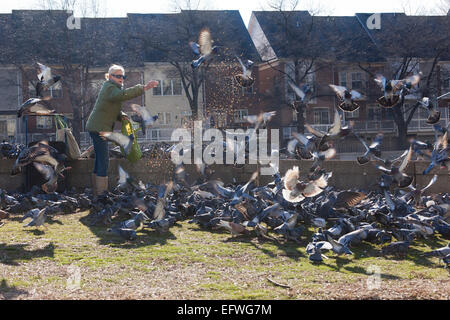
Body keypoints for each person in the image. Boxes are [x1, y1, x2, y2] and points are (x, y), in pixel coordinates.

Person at [85, 64, 158, 196]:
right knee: (104, 159)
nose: (121, 78)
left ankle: (97, 192)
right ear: (110, 76)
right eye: (118, 76)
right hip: (98, 128)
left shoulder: (112, 88)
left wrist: (122, 116)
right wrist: (143, 88)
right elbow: (121, 96)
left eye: (122, 76)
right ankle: (101, 194)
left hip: (97, 127)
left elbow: (111, 108)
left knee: (100, 159)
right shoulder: (109, 87)